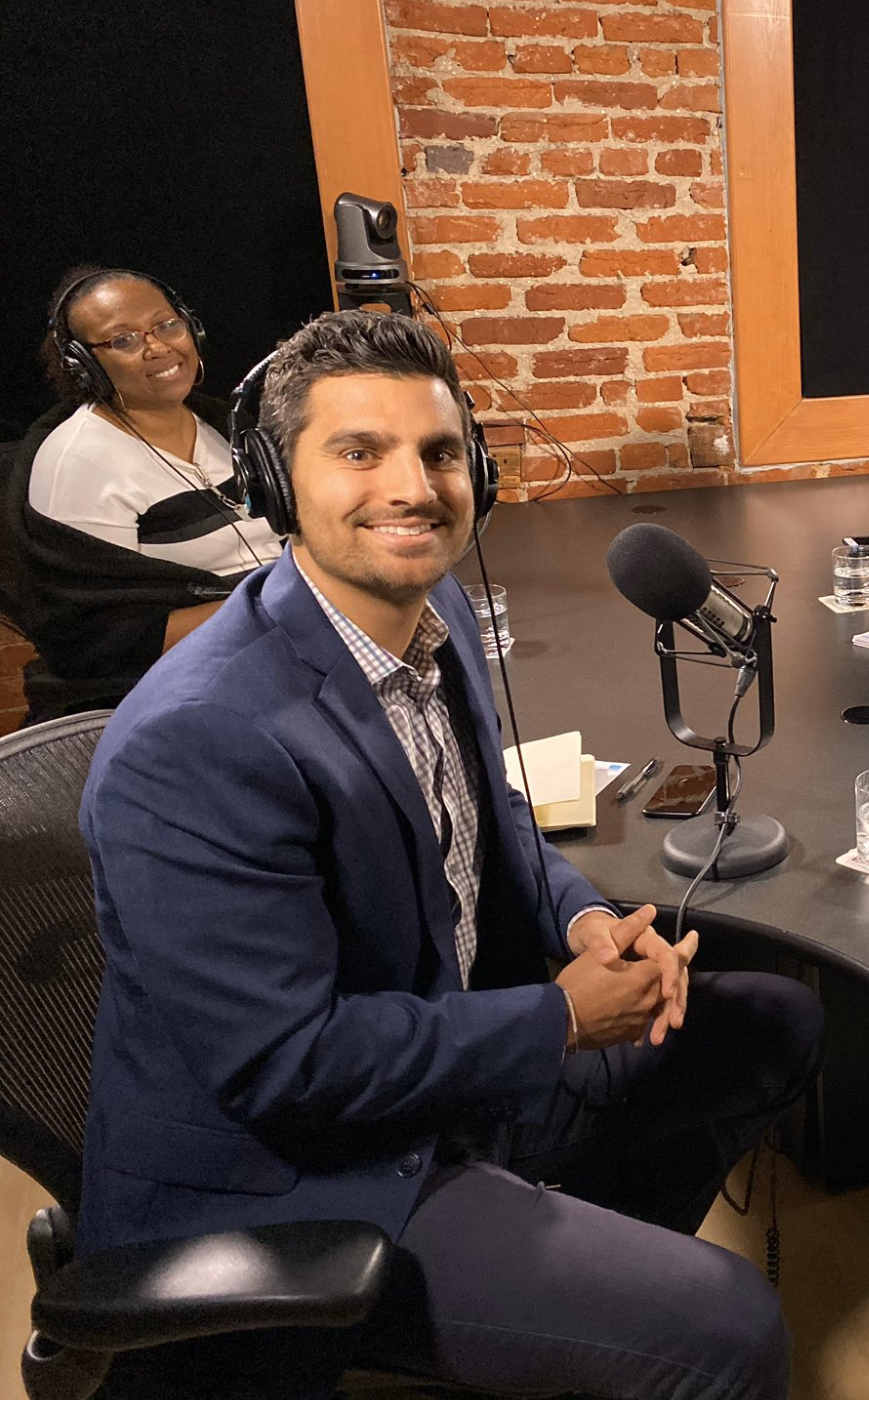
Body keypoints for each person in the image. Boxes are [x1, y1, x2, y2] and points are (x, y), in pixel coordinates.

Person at [78, 309, 822, 1399]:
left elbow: (490, 815)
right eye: (359, 451)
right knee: (729, 1328)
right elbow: (290, 1067)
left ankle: (573, 1317)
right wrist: (559, 1018)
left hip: (444, 1076)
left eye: (438, 452)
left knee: (773, 1023)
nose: (413, 487)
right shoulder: (198, 740)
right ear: (277, 484)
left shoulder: (439, 620)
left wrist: (580, 917)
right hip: (304, 1179)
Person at [6, 266, 283, 721]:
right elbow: (108, 640)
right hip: (170, 697)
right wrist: (288, 603)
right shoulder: (79, 462)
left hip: (270, 655)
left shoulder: (224, 426)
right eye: (124, 340)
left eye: (166, 325)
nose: (157, 347)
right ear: (83, 364)